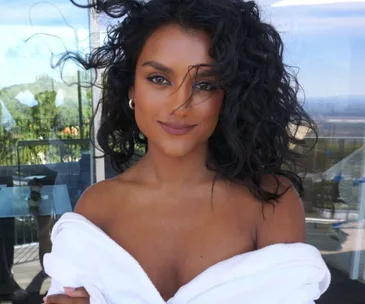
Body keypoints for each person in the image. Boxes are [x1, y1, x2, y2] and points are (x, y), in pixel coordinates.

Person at [44, 0, 330, 303]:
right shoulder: (96, 208)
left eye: (204, 84)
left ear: (230, 95)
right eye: (159, 79)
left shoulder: (270, 203)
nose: (180, 105)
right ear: (131, 88)